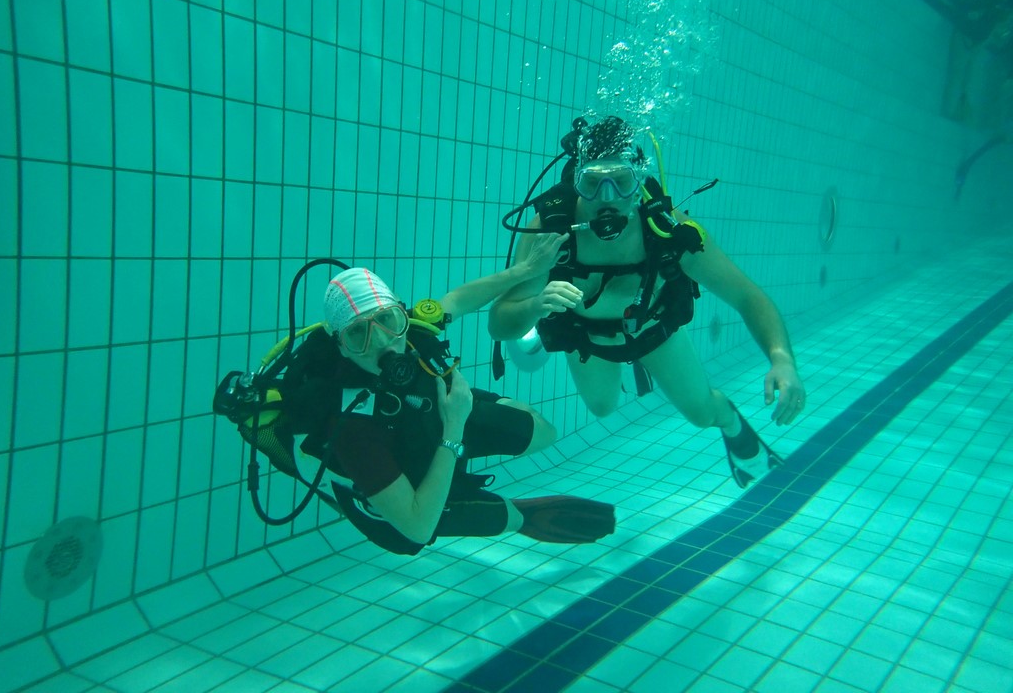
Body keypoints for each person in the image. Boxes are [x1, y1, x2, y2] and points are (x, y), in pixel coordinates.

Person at [489, 116, 806, 488]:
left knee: (702, 414)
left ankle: (733, 424)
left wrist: (782, 360)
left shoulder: (668, 229)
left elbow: (746, 295)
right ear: (576, 182)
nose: (607, 198)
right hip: (587, 337)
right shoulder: (549, 233)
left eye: (621, 181)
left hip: (654, 330)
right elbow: (499, 323)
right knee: (602, 407)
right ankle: (632, 368)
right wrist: (536, 304)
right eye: (592, 183)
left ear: (638, 182)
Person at [293, 265, 615, 555]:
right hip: (408, 499)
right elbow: (417, 528)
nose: (380, 341)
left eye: (387, 320)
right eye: (357, 333)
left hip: (436, 417)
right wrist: (455, 426)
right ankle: (519, 517)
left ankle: (459, 450)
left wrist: (527, 269)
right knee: (498, 517)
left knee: (545, 432)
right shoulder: (351, 427)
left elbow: (460, 299)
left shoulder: (411, 331)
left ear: (402, 313)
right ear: (341, 347)